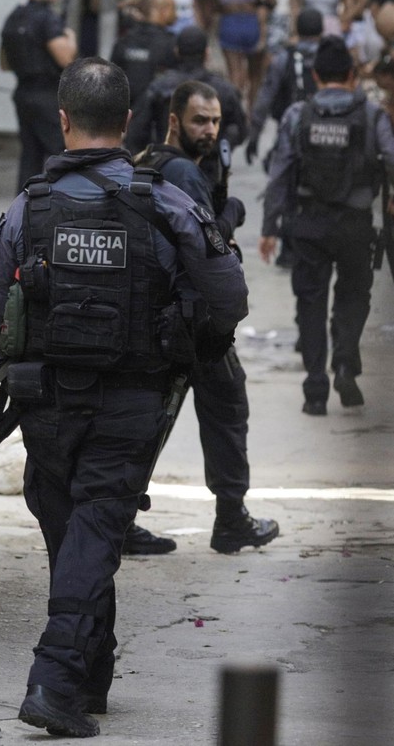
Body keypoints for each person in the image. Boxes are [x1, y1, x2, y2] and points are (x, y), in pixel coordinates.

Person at [0, 58, 249, 736]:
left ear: (64, 120)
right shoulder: (164, 202)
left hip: (44, 400)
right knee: (95, 531)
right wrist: (192, 343)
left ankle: (87, 672)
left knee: (73, 530)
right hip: (132, 398)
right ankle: (54, 681)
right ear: (129, 124)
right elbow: (230, 295)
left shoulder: (28, 206)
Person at [135, 80, 281, 554]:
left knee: (152, 420)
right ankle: (231, 519)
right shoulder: (183, 173)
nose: (210, 129)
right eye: (200, 120)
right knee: (226, 409)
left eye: (216, 121)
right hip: (192, 320)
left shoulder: (151, 160)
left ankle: (116, 517)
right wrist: (232, 213)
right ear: (175, 121)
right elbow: (206, 242)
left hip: (165, 316)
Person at [258, 36, 394, 415]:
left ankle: (315, 389)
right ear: (352, 75)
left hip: (308, 224)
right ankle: (344, 361)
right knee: (354, 295)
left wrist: (270, 227)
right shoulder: (371, 113)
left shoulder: (297, 114)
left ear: (315, 75)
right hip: (355, 225)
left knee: (310, 302)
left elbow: (279, 172)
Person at [1, 0, 78, 192]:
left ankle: (24, 207)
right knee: (60, 154)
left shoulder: (14, 17)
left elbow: (4, 63)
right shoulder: (48, 19)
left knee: (30, 156)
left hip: (23, 94)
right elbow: (65, 59)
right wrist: (70, 38)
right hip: (46, 95)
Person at [125, 25, 248, 155]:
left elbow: (137, 131)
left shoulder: (158, 88)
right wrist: (218, 148)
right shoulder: (224, 90)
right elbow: (240, 129)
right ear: (207, 53)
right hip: (209, 167)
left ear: (177, 52)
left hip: (169, 165)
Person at [247, 7, 325, 167]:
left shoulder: (283, 58)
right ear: (322, 30)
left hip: (289, 130)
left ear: (296, 29)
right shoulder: (330, 55)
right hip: (326, 131)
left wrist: (254, 137)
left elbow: (265, 98)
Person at [210, 0, 267, 108]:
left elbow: (213, 5)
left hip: (229, 25)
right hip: (251, 24)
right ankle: (251, 112)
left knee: (234, 73)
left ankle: (234, 112)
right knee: (255, 74)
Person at [110, 0, 178, 103]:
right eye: (173, 9)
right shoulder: (171, 44)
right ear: (164, 10)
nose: (176, 14)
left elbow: (112, 78)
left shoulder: (124, 40)